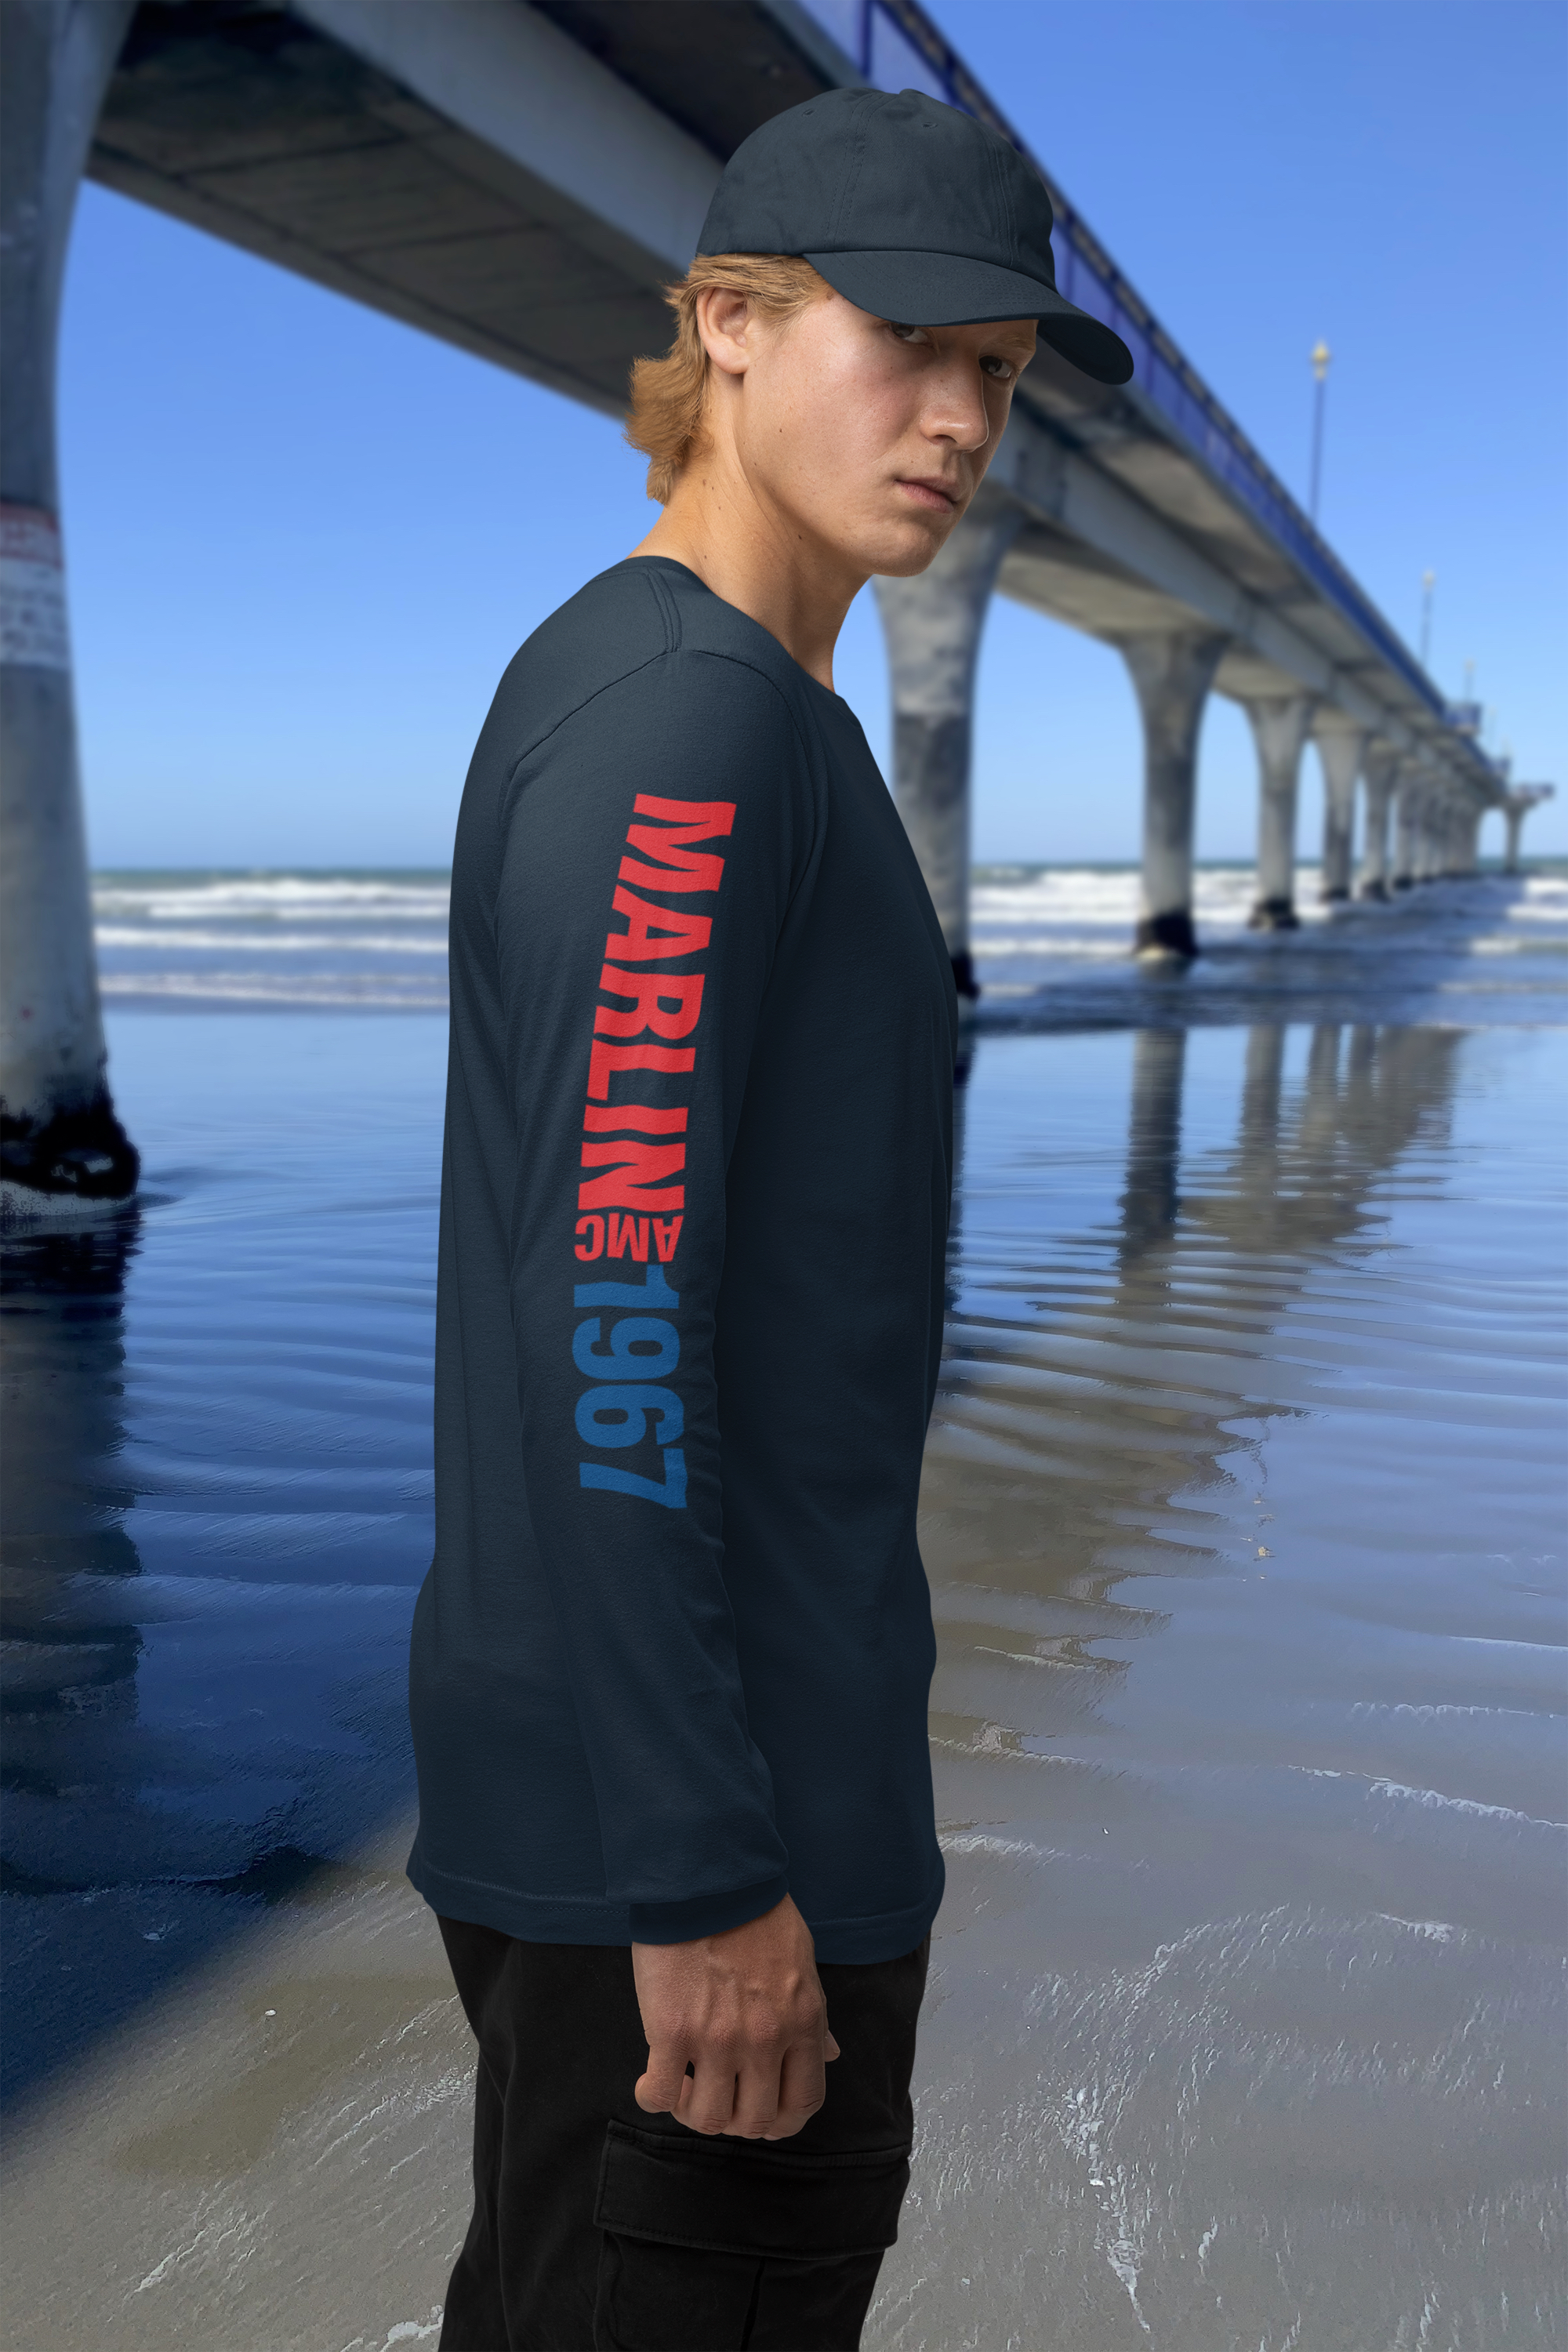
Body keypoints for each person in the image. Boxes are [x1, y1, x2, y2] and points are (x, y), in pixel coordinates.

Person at [405, 84, 1131, 2352]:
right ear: (723, 323)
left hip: (672, 1799)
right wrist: (715, 1880)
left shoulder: (717, 702)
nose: (959, 418)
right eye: (905, 341)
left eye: (1000, 371)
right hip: (708, 1844)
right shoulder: (686, 728)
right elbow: (611, 1325)